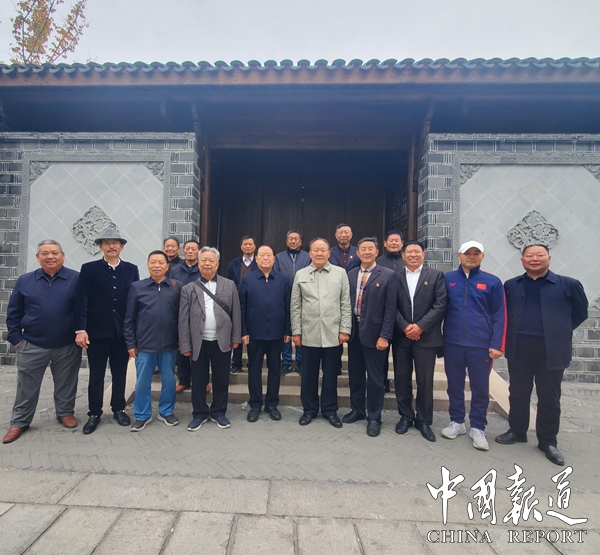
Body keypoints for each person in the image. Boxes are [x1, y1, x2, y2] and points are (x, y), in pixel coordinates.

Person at [495, 244, 588, 466]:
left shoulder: (568, 285)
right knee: (518, 393)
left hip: (551, 351)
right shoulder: (511, 285)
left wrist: (559, 331)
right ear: (522, 260)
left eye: (539, 255)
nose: (534, 259)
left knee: (549, 397)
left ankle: (548, 441)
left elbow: (580, 313)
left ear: (549, 258)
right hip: (519, 350)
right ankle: (517, 431)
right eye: (529, 255)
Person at [3, 240, 82, 444]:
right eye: (45, 253)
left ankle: (65, 412)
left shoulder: (76, 279)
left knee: (67, 382)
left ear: (63, 255)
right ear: (38, 257)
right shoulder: (25, 281)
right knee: (26, 386)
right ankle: (20, 421)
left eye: (54, 252)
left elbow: (83, 310)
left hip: (66, 344)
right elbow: (14, 312)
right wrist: (16, 340)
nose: (50, 257)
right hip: (32, 344)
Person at [441, 241, 506, 451]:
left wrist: (497, 344)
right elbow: (439, 309)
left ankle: (478, 427)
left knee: (480, 387)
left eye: (476, 253)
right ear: (458, 255)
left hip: (481, 345)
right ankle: (457, 421)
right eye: (467, 253)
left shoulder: (492, 282)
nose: (471, 256)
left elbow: (499, 315)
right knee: (454, 385)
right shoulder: (448, 279)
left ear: (482, 256)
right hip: (453, 342)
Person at [75, 228, 139, 435]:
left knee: (120, 374)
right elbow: (81, 300)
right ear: (100, 246)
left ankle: (118, 408)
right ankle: (94, 413)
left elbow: (134, 302)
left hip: (121, 333)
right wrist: (81, 329)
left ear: (122, 247)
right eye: (107, 243)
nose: (111, 246)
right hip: (97, 332)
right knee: (96, 375)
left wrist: (133, 332)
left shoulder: (131, 269)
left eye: (115, 243)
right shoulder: (89, 269)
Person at [291, 238, 351, 428]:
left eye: (322, 250)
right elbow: (295, 305)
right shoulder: (301, 274)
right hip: (309, 333)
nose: (319, 253)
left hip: (333, 333)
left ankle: (330, 410)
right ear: (310, 253)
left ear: (328, 253)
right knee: (308, 375)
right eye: (315, 250)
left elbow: (345, 303)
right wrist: (296, 331)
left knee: (331, 375)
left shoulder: (340, 273)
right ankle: (309, 410)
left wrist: (345, 329)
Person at [179, 247, 241, 431]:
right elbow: (183, 319)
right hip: (198, 342)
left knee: (221, 379)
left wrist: (235, 337)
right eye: (204, 260)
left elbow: (236, 313)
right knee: (198, 380)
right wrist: (185, 344)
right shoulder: (188, 288)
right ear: (198, 264)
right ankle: (199, 413)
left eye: (211, 260)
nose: (207, 264)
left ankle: (219, 412)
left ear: (217, 264)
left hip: (222, 340)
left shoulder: (229, 285)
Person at [393, 240, 447, 442]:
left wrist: (421, 327)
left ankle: (424, 420)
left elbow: (440, 305)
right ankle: (406, 416)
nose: (413, 255)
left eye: (417, 251)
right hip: (402, 337)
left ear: (424, 254)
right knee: (402, 379)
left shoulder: (436, 276)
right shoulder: (395, 276)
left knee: (425, 381)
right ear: (403, 255)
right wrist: (405, 326)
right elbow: (391, 305)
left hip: (427, 337)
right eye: (409, 252)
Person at [344, 237, 397, 437]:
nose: (366, 252)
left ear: (376, 252)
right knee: (355, 375)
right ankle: (357, 409)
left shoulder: (388, 275)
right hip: (354, 332)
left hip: (375, 334)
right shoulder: (351, 274)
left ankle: (374, 417)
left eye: (370, 249)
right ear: (357, 253)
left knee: (375, 379)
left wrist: (385, 336)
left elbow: (390, 309)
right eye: (363, 249)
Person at [124, 251, 181, 431]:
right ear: (148, 265)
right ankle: (142, 415)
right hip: (144, 345)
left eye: (160, 262)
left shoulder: (176, 287)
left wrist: (181, 340)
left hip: (169, 344)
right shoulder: (137, 287)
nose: (157, 265)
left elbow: (181, 316)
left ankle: (166, 411)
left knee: (169, 381)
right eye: (153, 262)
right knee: (142, 382)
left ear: (167, 266)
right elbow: (129, 318)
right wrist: (131, 343)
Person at [240, 245, 291, 422]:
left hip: (277, 333)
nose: (266, 258)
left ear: (274, 258)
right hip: (254, 333)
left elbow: (287, 306)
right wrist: (244, 330)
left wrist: (287, 330)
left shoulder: (283, 279)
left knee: (275, 370)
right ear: (256, 259)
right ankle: (255, 404)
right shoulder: (248, 279)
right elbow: (242, 306)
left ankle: (272, 404)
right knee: (254, 370)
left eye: (269, 255)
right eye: (262, 255)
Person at [274, 229, 310, 375]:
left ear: (300, 242)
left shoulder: (308, 256)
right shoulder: (279, 257)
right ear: (286, 241)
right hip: (284, 296)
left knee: (300, 328)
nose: (293, 241)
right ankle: (286, 361)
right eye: (291, 239)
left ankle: (301, 361)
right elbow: (276, 275)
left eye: (296, 239)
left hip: (304, 296)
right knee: (286, 329)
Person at [169, 240, 200, 393]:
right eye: (188, 249)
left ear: (198, 251)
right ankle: (184, 379)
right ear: (183, 251)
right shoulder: (175, 270)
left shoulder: (203, 268)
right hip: (180, 312)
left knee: (200, 348)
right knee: (182, 347)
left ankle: (201, 380)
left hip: (199, 312)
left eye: (193, 249)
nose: (190, 251)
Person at [375, 229, 405, 392]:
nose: (394, 243)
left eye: (397, 240)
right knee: (381, 355)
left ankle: (401, 387)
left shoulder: (408, 262)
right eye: (391, 240)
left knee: (401, 356)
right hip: (382, 315)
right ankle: (382, 383)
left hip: (404, 317)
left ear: (402, 243)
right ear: (385, 243)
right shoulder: (378, 262)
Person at [226, 235, 257, 374]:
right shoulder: (233, 264)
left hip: (253, 301)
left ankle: (252, 362)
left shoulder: (258, 262)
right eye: (245, 244)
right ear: (241, 246)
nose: (248, 246)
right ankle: (236, 363)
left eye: (250, 244)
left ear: (255, 246)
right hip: (236, 301)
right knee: (237, 331)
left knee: (252, 332)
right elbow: (228, 282)